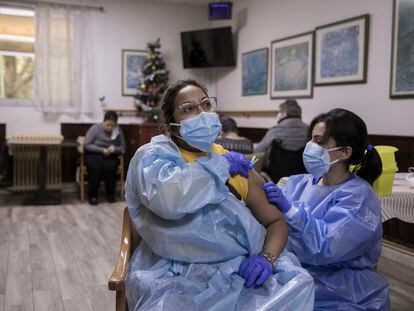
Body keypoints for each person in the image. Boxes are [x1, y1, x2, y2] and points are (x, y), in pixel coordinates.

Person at [124, 79, 315, 310]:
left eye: (206, 104)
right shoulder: (155, 158)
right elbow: (169, 199)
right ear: (170, 124)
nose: (202, 113)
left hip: (237, 268)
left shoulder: (234, 164)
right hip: (174, 270)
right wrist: (219, 167)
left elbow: (275, 221)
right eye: (188, 109)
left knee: (299, 284)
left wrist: (266, 258)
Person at [262, 108, 390, 310]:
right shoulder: (297, 183)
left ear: (345, 152)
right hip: (293, 274)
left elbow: (326, 248)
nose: (310, 147)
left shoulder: (359, 197)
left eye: (319, 142)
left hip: (341, 290)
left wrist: (290, 211)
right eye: (311, 139)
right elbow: (266, 221)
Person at [84, 111, 126, 205]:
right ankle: (93, 196)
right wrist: (102, 150)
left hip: (111, 154)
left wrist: (115, 149)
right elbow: (86, 145)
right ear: (103, 122)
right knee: (95, 168)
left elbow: (123, 146)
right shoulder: (95, 128)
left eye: (113, 125)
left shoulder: (118, 130)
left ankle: (111, 194)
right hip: (95, 153)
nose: (110, 128)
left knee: (111, 168)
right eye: (108, 125)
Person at [255, 99, 308, 167]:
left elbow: (257, 152)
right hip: (304, 174)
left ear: (284, 114)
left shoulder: (274, 131)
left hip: (276, 175)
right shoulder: (310, 130)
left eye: (279, 112)